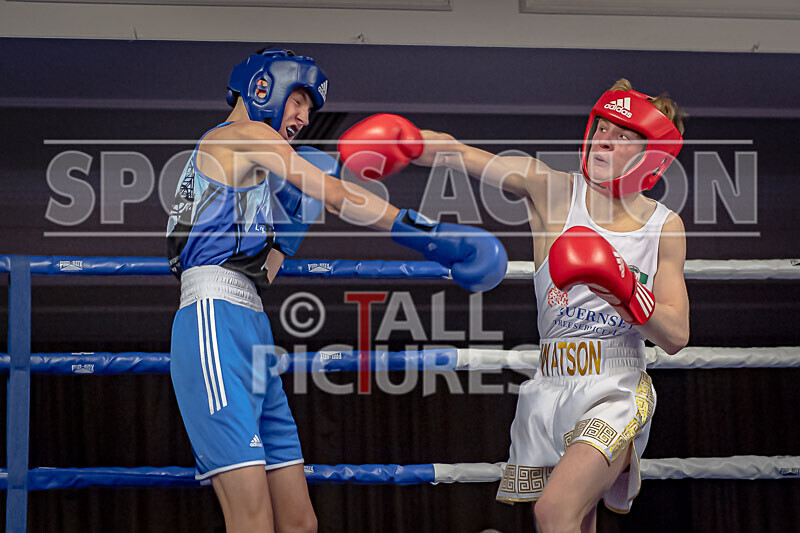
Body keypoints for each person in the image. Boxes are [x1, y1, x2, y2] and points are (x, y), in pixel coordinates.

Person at [165, 49, 508, 533]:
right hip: (211, 324)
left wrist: (285, 235)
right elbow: (334, 193)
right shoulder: (240, 136)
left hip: (250, 321)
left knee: (300, 522)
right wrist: (425, 234)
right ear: (264, 87)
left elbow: (264, 273)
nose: (305, 118)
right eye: (300, 100)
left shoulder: (253, 166)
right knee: (252, 520)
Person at [342, 79, 689, 532]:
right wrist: (409, 142)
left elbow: (677, 335)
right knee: (576, 522)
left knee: (554, 511)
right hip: (551, 383)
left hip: (615, 385)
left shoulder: (664, 226)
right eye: (603, 126)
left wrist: (622, 288)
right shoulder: (552, 190)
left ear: (652, 158)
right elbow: (461, 155)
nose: (605, 139)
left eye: (623, 136)